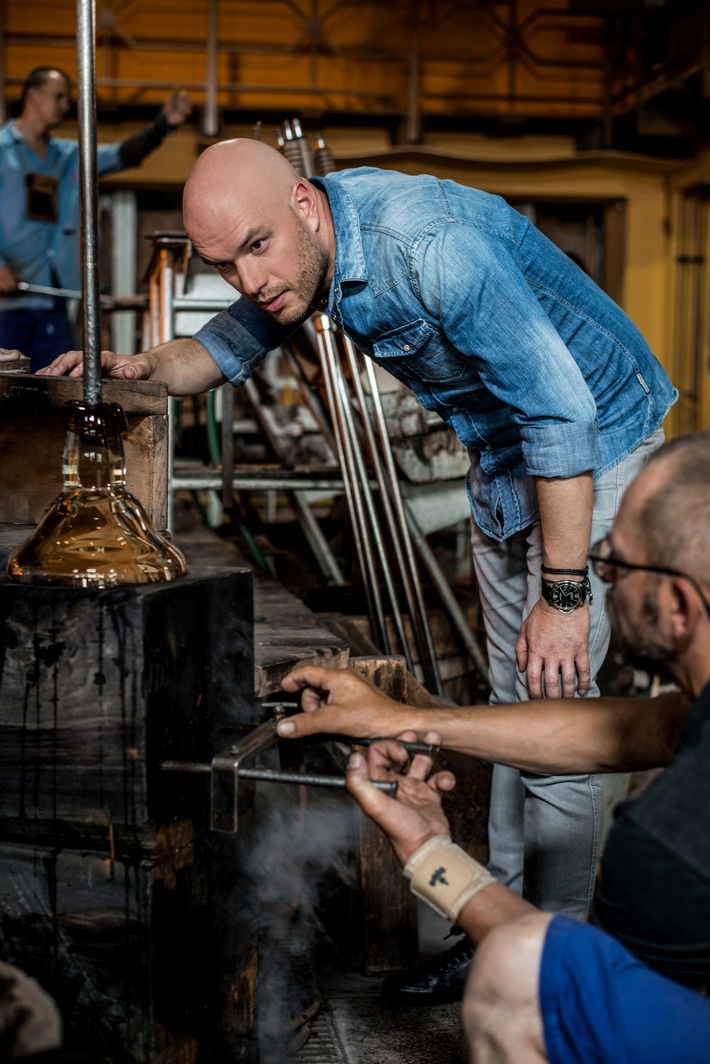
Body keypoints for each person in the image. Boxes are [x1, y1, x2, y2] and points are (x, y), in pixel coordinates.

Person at [36, 138, 677, 997]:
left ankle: (552, 969)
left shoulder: (428, 245)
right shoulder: (293, 255)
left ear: (304, 204)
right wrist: (135, 368)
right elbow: (220, 350)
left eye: (255, 250)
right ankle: (497, 926)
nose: (249, 281)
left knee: (557, 711)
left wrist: (564, 594)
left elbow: (560, 413)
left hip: (593, 441)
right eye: (224, 264)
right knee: (509, 710)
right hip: (502, 452)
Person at [276, 432, 710, 1061]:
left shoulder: (665, 846)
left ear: (676, 604)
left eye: (614, 563)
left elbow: (550, 971)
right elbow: (613, 731)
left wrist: (432, 860)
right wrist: (395, 719)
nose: (604, 577)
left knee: (512, 978)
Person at [0, 66, 192, 370]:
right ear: (32, 95)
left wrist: (163, 125)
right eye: (59, 97)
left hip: (54, 299)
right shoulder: (2, 151)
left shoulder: (66, 156)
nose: (66, 105)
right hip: (7, 305)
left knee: (57, 385)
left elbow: (122, 155)